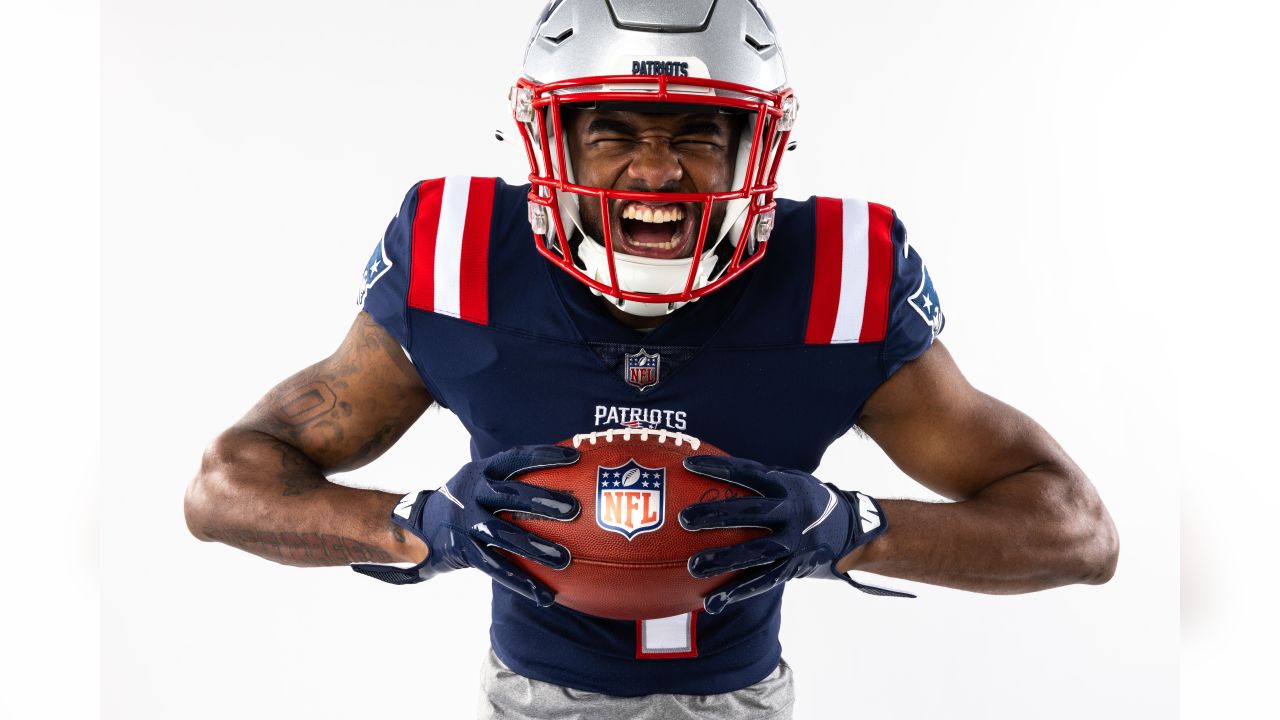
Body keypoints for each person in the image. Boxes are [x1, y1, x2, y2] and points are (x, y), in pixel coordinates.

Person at [183, 1, 1119, 717]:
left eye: (698, 136)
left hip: (741, 697)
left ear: (760, 144)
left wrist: (848, 527)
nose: (659, 171)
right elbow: (225, 487)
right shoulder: (460, 257)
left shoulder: (839, 276)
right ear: (549, 137)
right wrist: (421, 525)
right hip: (531, 696)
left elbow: (1079, 533)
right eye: (615, 132)